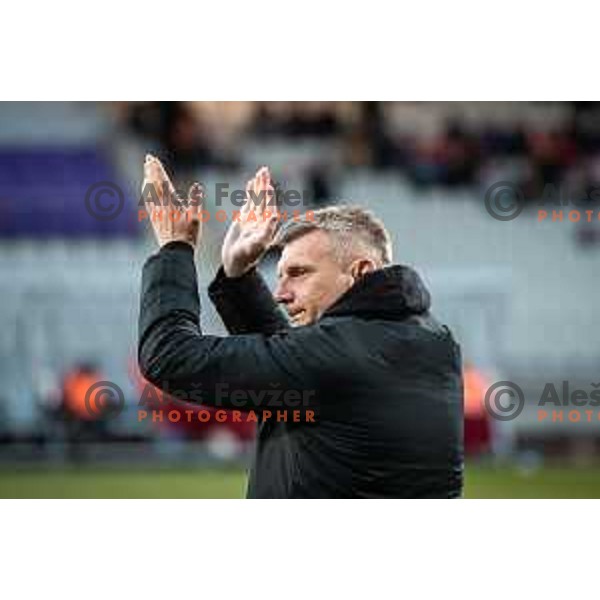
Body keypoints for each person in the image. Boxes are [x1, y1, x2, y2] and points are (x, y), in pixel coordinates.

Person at [137, 155, 463, 498]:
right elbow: (300, 367)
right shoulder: (435, 341)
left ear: (360, 272)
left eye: (299, 273)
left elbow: (169, 355)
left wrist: (174, 248)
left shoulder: (339, 353)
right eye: (280, 276)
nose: (279, 294)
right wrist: (238, 278)